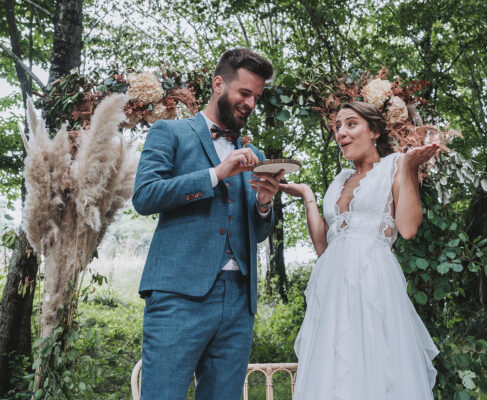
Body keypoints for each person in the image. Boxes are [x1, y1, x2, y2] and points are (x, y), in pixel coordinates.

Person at [132, 48, 284, 400]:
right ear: (218, 83)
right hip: (178, 295)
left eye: (256, 97)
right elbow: (145, 196)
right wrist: (216, 174)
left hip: (238, 301)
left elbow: (258, 233)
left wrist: (263, 204)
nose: (250, 103)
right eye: (244, 93)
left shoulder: (255, 155)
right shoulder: (169, 132)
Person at [280, 101, 440, 399]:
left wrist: (407, 166)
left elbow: (407, 228)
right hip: (331, 291)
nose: (341, 133)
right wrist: (307, 194)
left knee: (376, 366)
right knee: (334, 372)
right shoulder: (339, 180)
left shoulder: (394, 166)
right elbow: (324, 246)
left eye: (351, 124)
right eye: (337, 127)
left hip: (373, 283)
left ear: (375, 130)